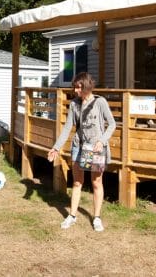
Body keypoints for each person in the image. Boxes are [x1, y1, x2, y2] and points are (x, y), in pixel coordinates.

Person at [48, 72, 116, 232]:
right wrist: (56, 147)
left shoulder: (100, 102)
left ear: (87, 86)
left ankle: (97, 218)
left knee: (96, 183)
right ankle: (72, 215)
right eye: (75, 87)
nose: (76, 90)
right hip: (79, 147)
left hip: (96, 148)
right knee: (77, 182)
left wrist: (102, 140)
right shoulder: (74, 105)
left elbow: (112, 124)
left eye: (79, 87)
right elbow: (67, 128)